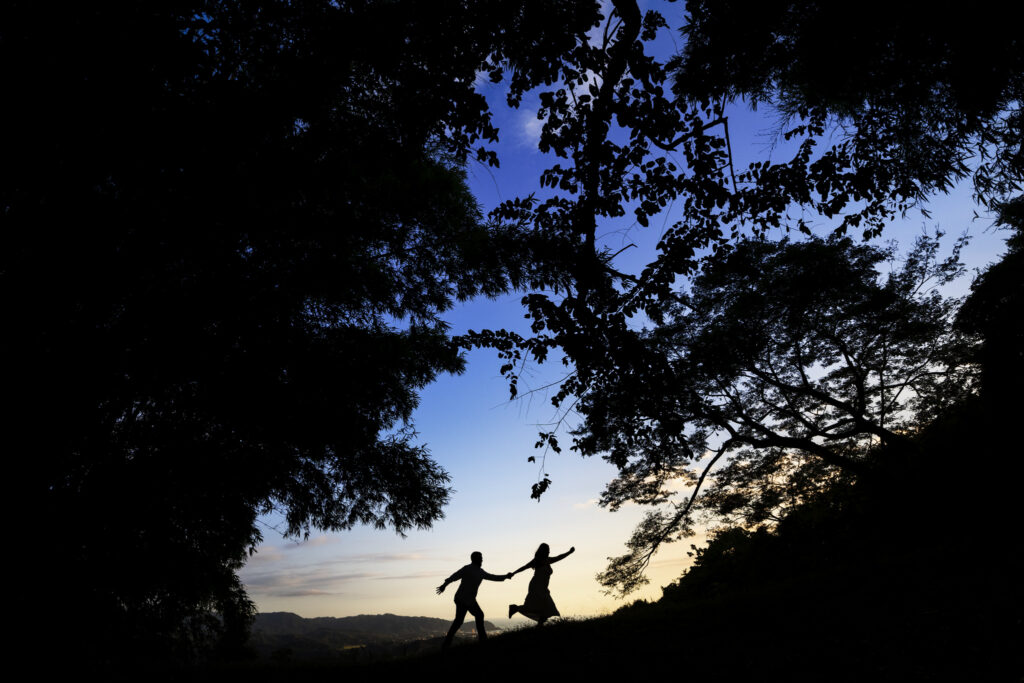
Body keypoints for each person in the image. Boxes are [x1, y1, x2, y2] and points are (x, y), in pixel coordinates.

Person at [436, 551, 509, 650]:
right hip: (462, 599)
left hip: (468, 600)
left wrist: (505, 576)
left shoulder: (480, 572)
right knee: (465, 619)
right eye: (480, 558)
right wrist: (444, 585)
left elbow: (493, 577)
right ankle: (481, 641)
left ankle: (447, 645)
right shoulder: (467, 569)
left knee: (468, 618)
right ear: (475, 559)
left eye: (481, 558)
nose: (482, 560)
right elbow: (454, 576)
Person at [507, 543, 574, 625]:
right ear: (543, 551)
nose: (549, 552)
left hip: (543, 588)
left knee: (546, 608)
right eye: (547, 550)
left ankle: (516, 609)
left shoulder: (548, 560)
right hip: (536, 586)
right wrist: (513, 573)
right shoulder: (537, 560)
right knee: (535, 607)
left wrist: (569, 552)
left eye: (549, 550)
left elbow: (559, 557)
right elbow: (524, 567)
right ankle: (515, 608)